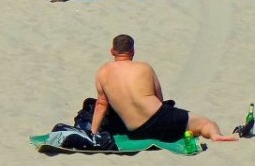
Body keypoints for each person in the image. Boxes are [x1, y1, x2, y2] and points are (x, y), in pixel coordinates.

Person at [91, 34, 239, 143]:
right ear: (133, 51)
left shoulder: (102, 72)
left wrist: (93, 132)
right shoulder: (144, 68)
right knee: (205, 123)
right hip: (160, 119)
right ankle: (215, 135)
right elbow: (159, 99)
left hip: (136, 131)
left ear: (112, 51)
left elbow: (101, 105)